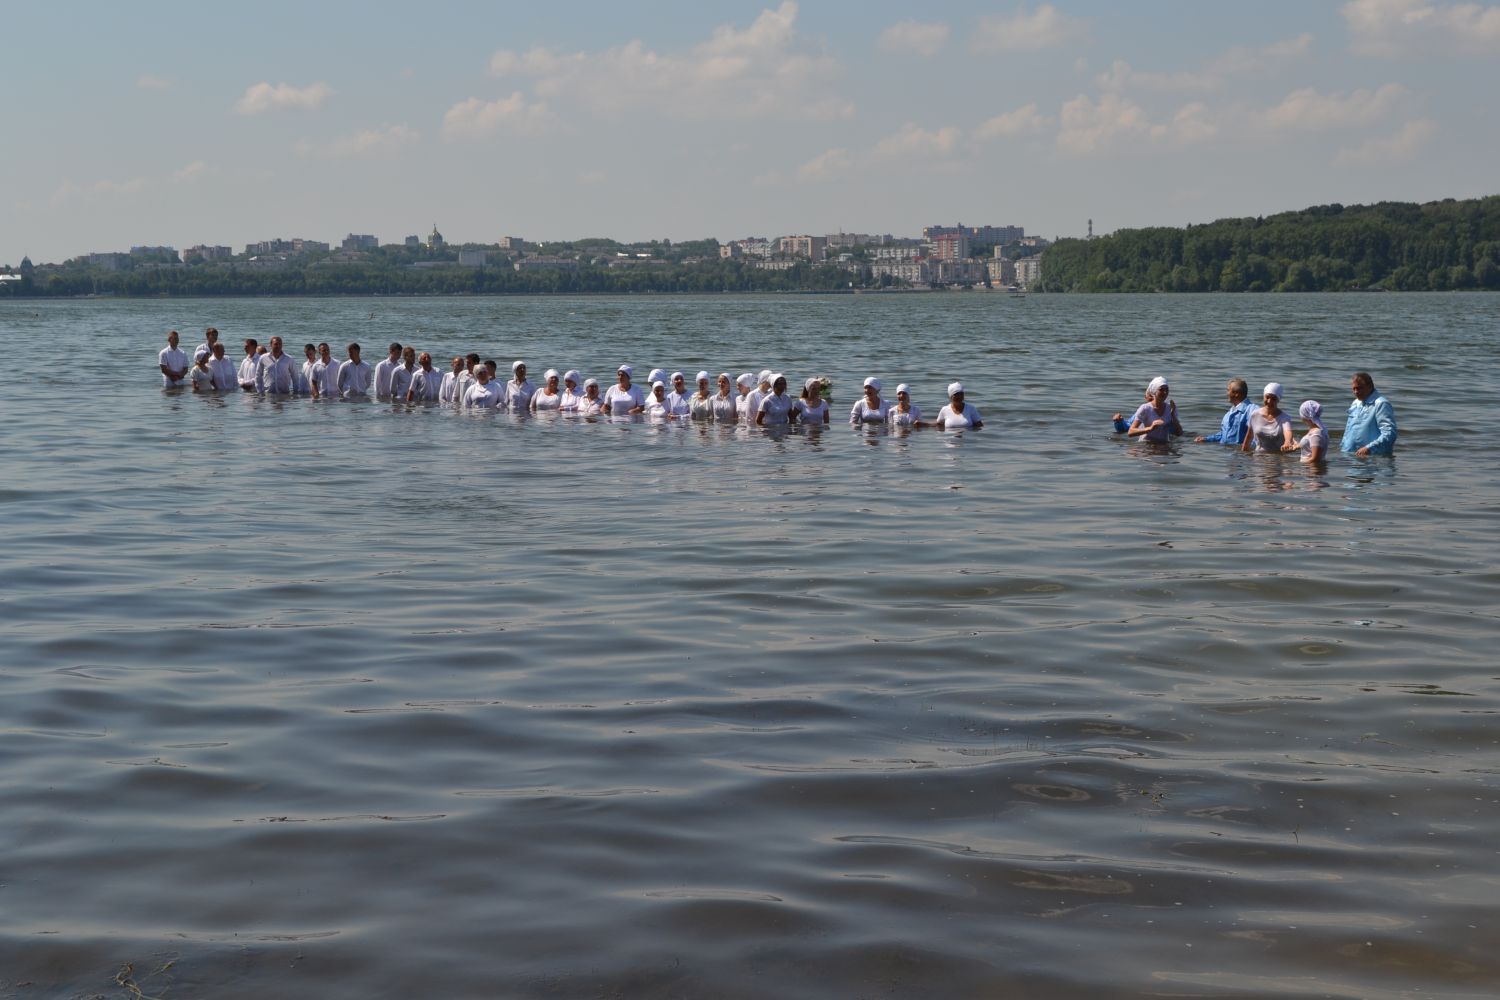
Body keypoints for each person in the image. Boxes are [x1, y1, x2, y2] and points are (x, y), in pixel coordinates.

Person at [1341, 371, 1398, 456]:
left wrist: (1369, 448)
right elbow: (1349, 430)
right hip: (1350, 455)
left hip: (1373, 457)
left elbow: (1390, 433)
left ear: (1370, 387)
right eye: (1354, 389)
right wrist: (1343, 446)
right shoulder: (1356, 402)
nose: (1356, 392)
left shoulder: (1381, 403)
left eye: (1359, 388)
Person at [1195, 379, 1255, 446]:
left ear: (1236, 394)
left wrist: (1246, 448)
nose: (1227, 393)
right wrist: (1207, 439)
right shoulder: (1229, 414)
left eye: (1228, 390)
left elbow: (1258, 435)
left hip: (1240, 452)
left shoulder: (1252, 410)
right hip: (1226, 451)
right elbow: (1223, 434)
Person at [1242, 382, 1296, 453]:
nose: (1269, 401)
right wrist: (1243, 456)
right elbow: (1249, 437)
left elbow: (1288, 432)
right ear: (1263, 397)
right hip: (1258, 457)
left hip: (1277, 458)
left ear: (1278, 400)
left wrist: (1287, 442)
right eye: (1267, 397)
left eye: (1274, 399)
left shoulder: (1284, 418)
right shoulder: (1254, 415)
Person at [1127, 377, 1179, 442]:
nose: (1165, 392)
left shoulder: (1170, 408)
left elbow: (1179, 433)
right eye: (1161, 390)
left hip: (1164, 445)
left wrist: (1173, 415)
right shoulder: (1145, 408)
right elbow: (1131, 432)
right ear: (1154, 391)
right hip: (1146, 444)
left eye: (1167, 389)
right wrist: (1151, 428)